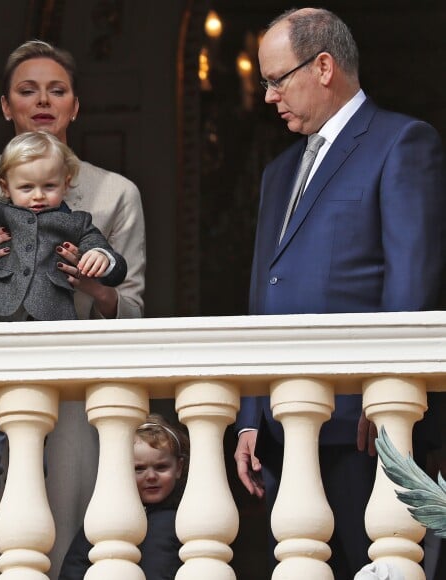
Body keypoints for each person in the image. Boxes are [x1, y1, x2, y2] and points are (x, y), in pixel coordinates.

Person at [233, 8, 446, 580]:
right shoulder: (278, 171)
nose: (270, 95)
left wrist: (383, 395)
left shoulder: (401, 142)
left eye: (278, 79)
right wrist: (251, 413)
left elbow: (411, 283)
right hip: (286, 422)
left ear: (323, 66)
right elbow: (264, 289)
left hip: (364, 426)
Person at [0, 40, 145, 542]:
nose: (43, 102)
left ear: (75, 105)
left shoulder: (114, 194)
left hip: (71, 396)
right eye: (28, 91)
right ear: (7, 106)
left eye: (57, 90)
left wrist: (95, 283)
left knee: (67, 539)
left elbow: (134, 309)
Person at [0, 131, 127, 322]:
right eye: (26, 187)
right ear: (5, 187)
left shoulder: (78, 223)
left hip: (54, 321)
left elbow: (116, 267)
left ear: (65, 185)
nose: (38, 195)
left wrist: (102, 258)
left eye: (49, 186)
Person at [58, 414, 189, 580]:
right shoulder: (105, 515)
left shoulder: (181, 518)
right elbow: (75, 566)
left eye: (161, 467)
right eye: (139, 469)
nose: (151, 476)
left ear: (179, 467)